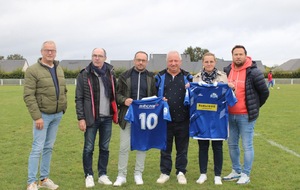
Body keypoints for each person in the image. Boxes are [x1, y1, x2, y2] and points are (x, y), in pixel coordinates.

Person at [23, 41, 67, 190]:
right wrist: (37, 117)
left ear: (56, 52)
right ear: (41, 51)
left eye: (53, 50)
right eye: (47, 50)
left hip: (57, 115)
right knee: (37, 148)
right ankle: (31, 182)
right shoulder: (33, 70)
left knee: (49, 147)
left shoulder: (58, 68)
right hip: (42, 116)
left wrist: (63, 107)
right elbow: (29, 95)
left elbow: (63, 89)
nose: (50, 53)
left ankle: (44, 179)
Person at [223, 45, 269, 184]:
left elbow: (264, 92)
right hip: (230, 115)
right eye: (235, 54)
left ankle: (246, 174)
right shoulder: (227, 71)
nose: (238, 56)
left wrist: (253, 107)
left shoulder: (254, 72)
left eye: (240, 54)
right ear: (232, 56)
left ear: (246, 55)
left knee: (247, 145)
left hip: (246, 116)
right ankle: (236, 171)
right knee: (232, 145)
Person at [113, 51, 157, 186]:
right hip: (127, 117)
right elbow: (117, 94)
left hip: (144, 118)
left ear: (147, 62)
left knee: (141, 147)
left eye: (143, 60)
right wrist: (124, 100)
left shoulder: (151, 77)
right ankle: (121, 175)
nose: (140, 62)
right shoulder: (124, 76)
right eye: (138, 60)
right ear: (134, 60)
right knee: (124, 147)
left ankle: (138, 174)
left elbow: (155, 96)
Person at [75, 48, 117, 188]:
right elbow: (79, 98)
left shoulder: (111, 73)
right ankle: (89, 175)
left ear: (105, 57)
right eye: (94, 55)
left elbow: (114, 95)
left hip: (107, 118)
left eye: (100, 56)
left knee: (104, 148)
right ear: (91, 57)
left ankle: (102, 174)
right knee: (88, 148)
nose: (97, 58)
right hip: (91, 118)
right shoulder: (84, 74)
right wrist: (81, 118)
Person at [192, 52, 235, 185]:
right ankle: (203, 173)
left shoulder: (223, 77)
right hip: (201, 119)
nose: (209, 64)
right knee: (203, 146)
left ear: (215, 62)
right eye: (206, 62)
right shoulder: (196, 79)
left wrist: (231, 88)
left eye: (211, 62)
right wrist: (188, 88)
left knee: (217, 146)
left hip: (218, 119)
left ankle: (217, 175)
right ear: (203, 63)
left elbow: (230, 98)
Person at [155, 51, 193, 185]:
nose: (173, 63)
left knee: (182, 148)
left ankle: (181, 172)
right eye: (171, 61)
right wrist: (159, 100)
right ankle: (165, 172)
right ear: (167, 62)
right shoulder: (159, 77)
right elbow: (153, 97)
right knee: (165, 148)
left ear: (180, 62)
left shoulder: (188, 77)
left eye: (176, 61)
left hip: (183, 119)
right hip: (165, 120)